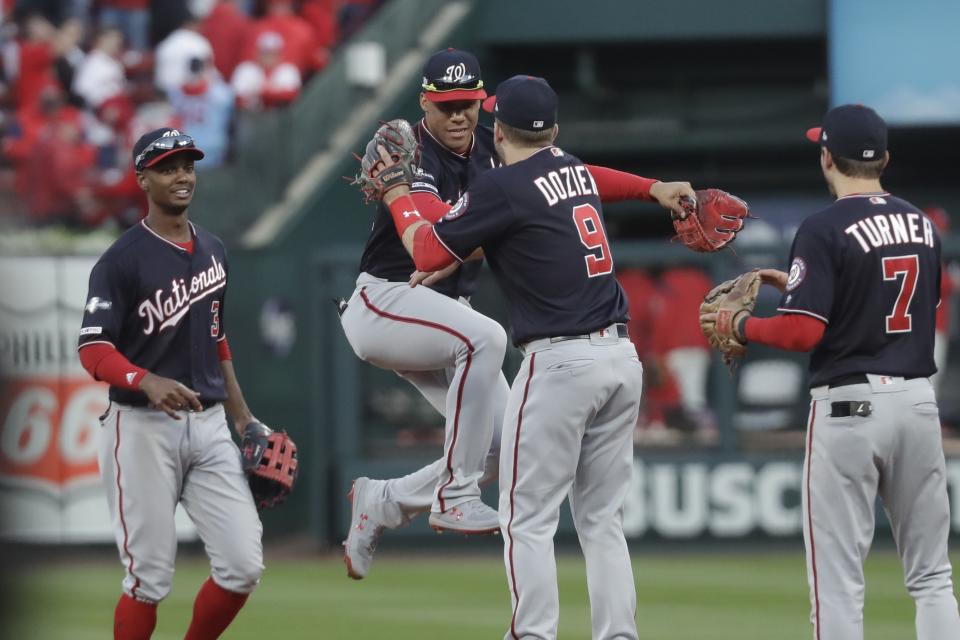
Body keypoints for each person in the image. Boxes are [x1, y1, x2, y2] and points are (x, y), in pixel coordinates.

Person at [362, 74, 706, 640]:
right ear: (554, 130)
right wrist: (654, 188)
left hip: (560, 363)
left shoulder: (502, 188)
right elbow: (591, 177)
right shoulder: (569, 170)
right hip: (621, 360)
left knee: (529, 520)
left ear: (497, 130)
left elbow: (424, 247)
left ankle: (533, 634)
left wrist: (398, 193)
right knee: (601, 521)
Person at [708, 104, 960, 640]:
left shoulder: (823, 227)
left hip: (850, 410)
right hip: (917, 403)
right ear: (884, 158)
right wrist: (806, 289)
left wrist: (745, 325)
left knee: (839, 585)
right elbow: (913, 304)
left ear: (827, 158)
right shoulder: (920, 221)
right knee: (933, 577)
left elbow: (802, 334)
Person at [77, 128, 265, 640]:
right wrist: (145, 380)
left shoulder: (215, 250)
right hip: (140, 428)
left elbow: (217, 337)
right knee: (148, 580)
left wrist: (242, 415)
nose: (182, 175)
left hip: (208, 426)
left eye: (187, 165)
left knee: (243, 565)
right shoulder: (121, 259)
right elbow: (92, 349)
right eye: (167, 167)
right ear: (143, 179)